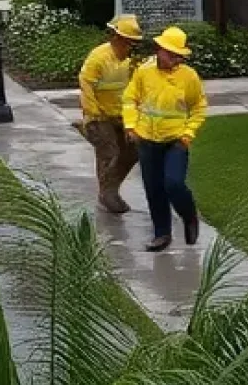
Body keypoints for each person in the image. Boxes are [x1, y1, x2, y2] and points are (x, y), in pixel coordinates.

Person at [122, 25, 207, 253]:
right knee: (154, 188)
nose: (175, 59)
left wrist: (188, 134)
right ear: (158, 50)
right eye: (171, 54)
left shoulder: (189, 77)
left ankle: (189, 216)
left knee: (174, 183)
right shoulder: (144, 72)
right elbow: (130, 99)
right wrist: (131, 126)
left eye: (179, 55)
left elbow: (199, 107)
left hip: (176, 141)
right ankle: (162, 234)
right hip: (147, 140)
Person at [78, 14, 143, 214]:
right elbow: (86, 84)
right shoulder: (99, 58)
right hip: (99, 116)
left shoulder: (129, 62)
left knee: (133, 151)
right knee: (109, 151)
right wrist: (94, 114)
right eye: (128, 43)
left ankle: (109, 190)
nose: (131, 48)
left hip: (121, 114)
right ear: (117, 38)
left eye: (134, 44)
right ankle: (108, 194)